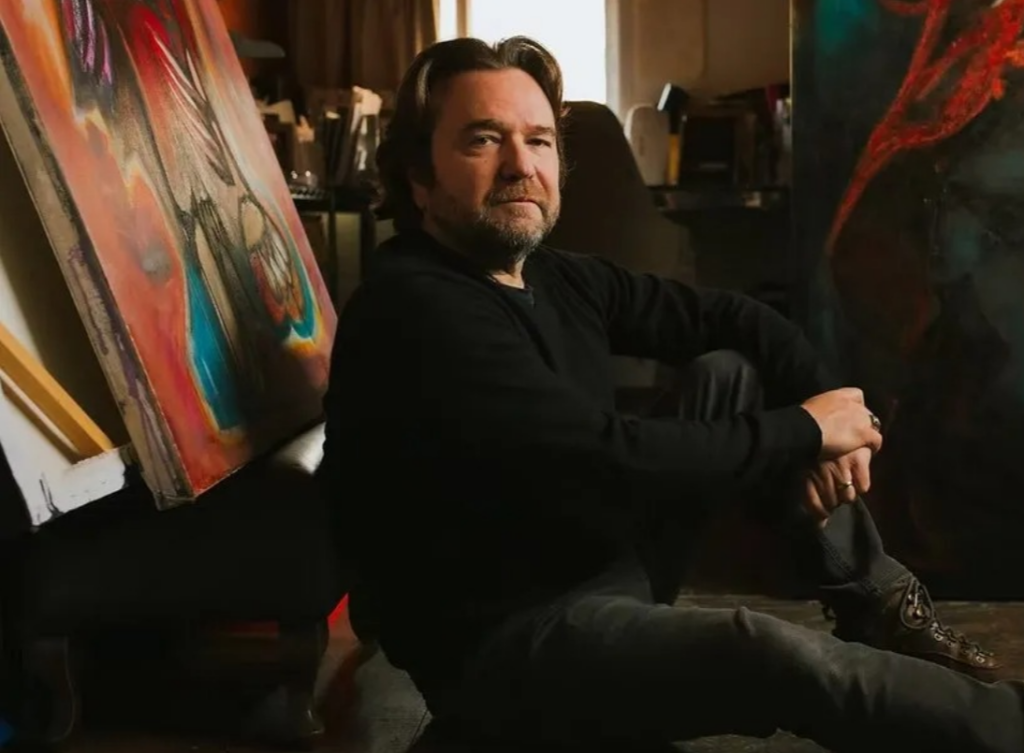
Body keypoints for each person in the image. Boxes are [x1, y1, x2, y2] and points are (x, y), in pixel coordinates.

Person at [317, 36, 1023, 752]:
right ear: (419, 177)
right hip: (507, 650)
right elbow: (607, 456)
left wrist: (826, 411)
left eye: (539, 140)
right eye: (483, 139)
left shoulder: (551, 276)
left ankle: (880, 606)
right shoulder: (414, 308)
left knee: (732, 374)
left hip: (595, 565)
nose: (522, 165)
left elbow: (736, 318)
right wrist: (808, 430)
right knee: (772, 655)